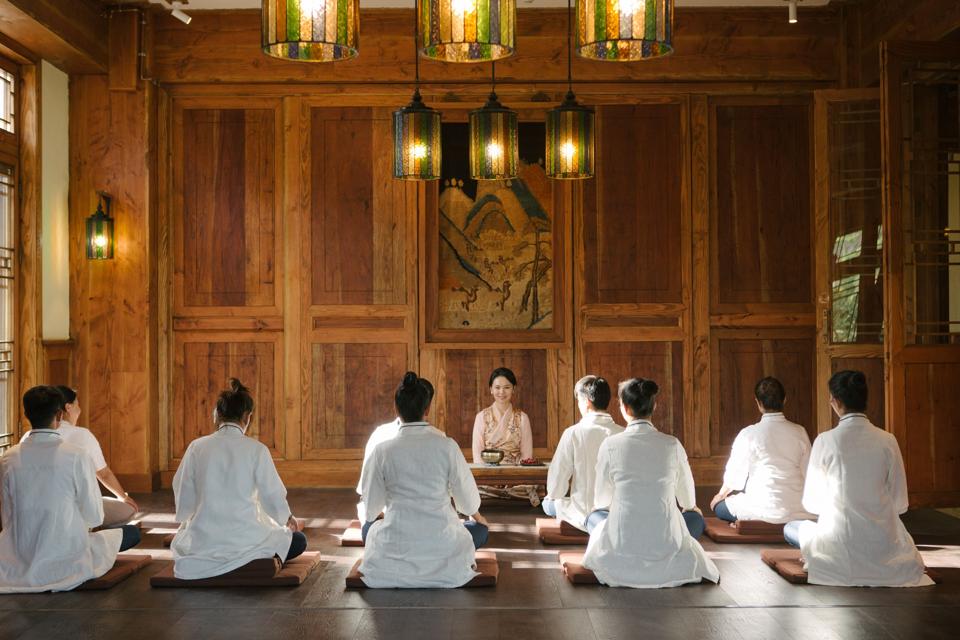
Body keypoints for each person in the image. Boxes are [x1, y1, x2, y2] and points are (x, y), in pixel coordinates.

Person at [784, 371, 932, 587]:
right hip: (883, 544)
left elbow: (812, 504)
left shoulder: (825, 440)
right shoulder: (887, 440)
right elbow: (900, 502)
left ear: (835, 401)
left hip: (839, 546)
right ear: (865, 400)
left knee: (791, 528)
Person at [0, 386, 140, 593]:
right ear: (59, 414)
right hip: (65, 556)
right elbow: (94, 516)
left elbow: (7, 515)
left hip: (18, 554)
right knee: (132, 534)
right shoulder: (75, 455)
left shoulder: (8, 458)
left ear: (27, 415)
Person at [582, 378, 719, 588]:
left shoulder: (611, 445)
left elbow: (601, 499)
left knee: (594, 516)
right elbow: (688, 500)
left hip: (622, 545)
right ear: (654, 406)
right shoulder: (672, 444)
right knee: (695, 517)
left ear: (625, 408)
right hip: (665, 543)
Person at [359, 371, 489, 588]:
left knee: (368, 529)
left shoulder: (382, 451)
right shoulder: (447, 446)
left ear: (396, 409)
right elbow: (469, 504)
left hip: (396, 543)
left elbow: (371, 510)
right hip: (443, 544)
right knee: (480, 531)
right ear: (427, 409)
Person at [171, 378, 305, 580]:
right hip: (247, 540)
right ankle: (247, 563)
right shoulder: (257, 449)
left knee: (186, 538)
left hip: (204, 541)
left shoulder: (196, 447)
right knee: (298, 541)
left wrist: (187, 519)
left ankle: (212, 562)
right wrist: (286, 518)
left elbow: (182, 489)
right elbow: (271, 494)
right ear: (247, 416)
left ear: (217, 415)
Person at [710, 377, 814, 524]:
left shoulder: (749, 433)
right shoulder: (800, 431)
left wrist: (720, 496)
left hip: (760, 508)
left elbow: (734, 478)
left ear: (758, 403)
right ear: (785, 400)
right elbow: (808, 472)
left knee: (720, 507)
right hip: (796, 509)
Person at [543, 375, 623, 531]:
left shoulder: (573, 433)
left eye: (578, 400)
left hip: (584, 514)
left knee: (547, 503)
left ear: (586, 402)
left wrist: (553, 495)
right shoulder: (624, 433)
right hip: (619, 512)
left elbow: (556, 486)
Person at [54, 386, 139, 528]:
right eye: (77, 405)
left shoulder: (27, 438)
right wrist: (124, 497)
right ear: (68, 407)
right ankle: (91, 528)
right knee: (128, 510)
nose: (79, 410)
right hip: (74, 510)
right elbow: (103, 473)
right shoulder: (82, 435)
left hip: (42, 510)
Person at [471, 367, 538, 505]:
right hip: (488, 478)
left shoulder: (522, 418)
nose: (501, 392)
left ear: (513, 389)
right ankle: (495, 491)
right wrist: (490, 479)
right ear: (491, 389)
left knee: (528, 487)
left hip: (515, 478)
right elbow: (477, 455)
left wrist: (512, 478)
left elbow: (526, 456)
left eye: (507, 387)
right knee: (472, 487)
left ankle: (503, 492)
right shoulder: (481, 417)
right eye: (497, 387)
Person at [355, 416, 402, 523]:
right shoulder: (441, 441)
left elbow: (366, 491)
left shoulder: (381, 435)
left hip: (388, 520)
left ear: (396, 407)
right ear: (427, 409)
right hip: (429, 523)